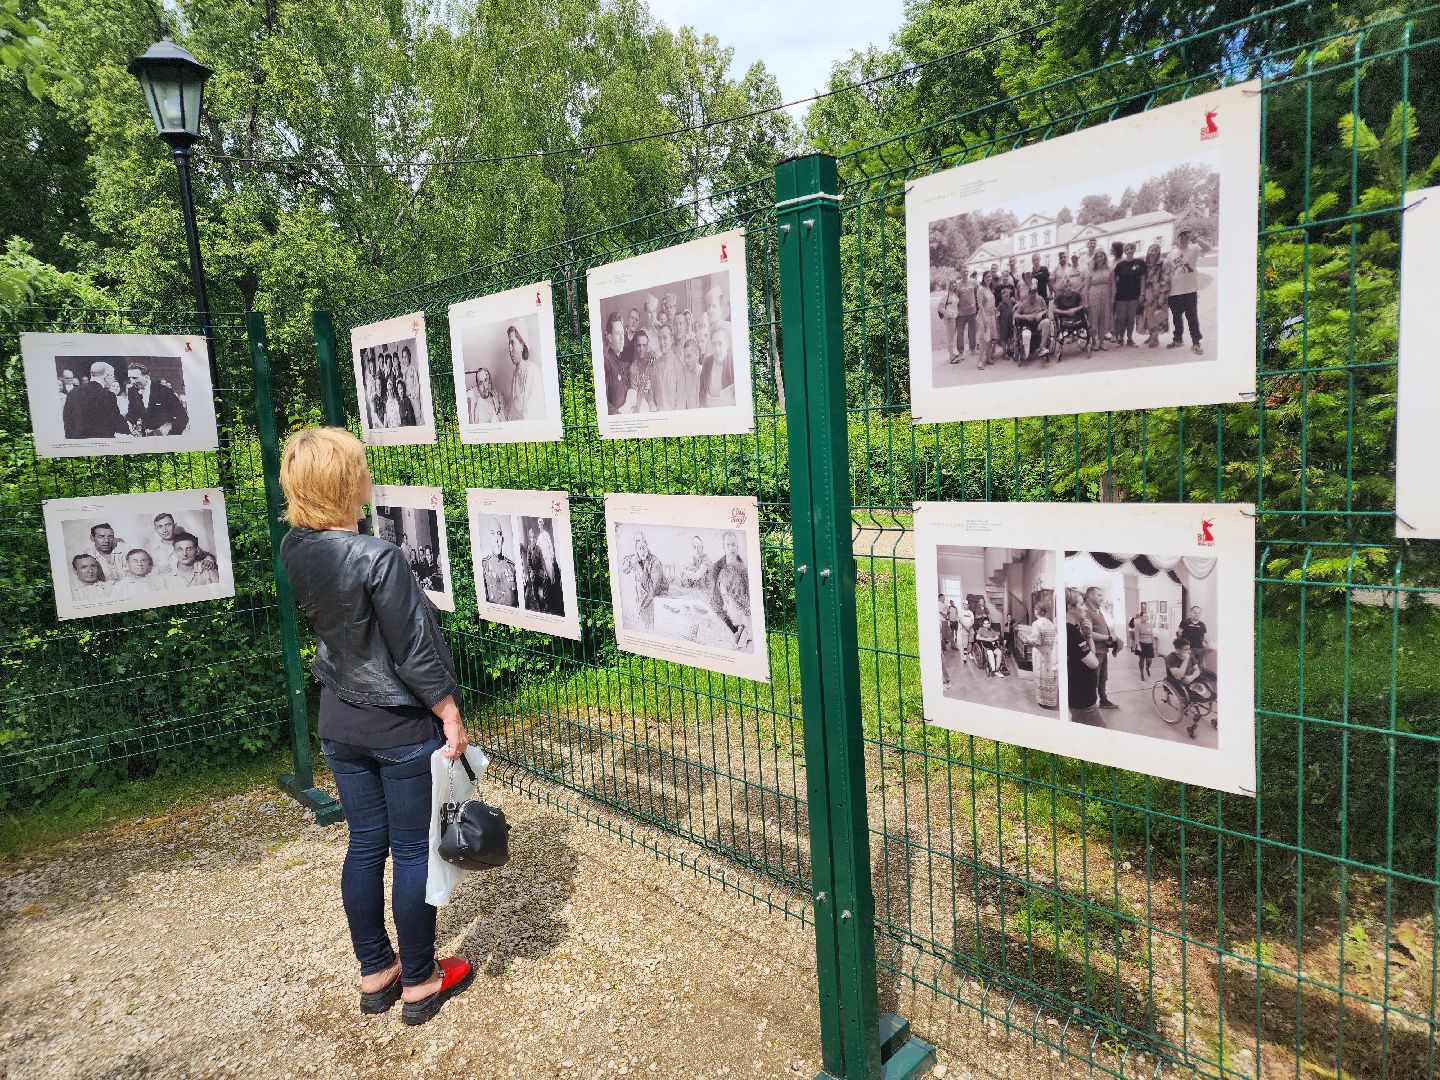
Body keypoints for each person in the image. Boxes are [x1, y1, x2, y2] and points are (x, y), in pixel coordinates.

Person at [278, 427, 473, 1026]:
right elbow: (413, 648)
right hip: (399, 727)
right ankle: (419, 979)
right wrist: (448, 710)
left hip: (339, 720)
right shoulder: (379, 557)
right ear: (346, 481)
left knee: (364, 845)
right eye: (359, 468)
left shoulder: (294, 547)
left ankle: (375, 972)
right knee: (413, 848)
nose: (368, 475)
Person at [1166, 228, 1210, 355]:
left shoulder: (1194, 248)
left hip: (1189, 290)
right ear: (1177, 239)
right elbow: (1168, 271)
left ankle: (1196, 343)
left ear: (1188, 237)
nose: (1183, 238)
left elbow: (1207, 248)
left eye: (1186, 236)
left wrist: (1196, 237)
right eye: (1181, 236)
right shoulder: (1172, 254)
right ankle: (1177, 340)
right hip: (1174, 291)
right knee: (1176, 318)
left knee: (1192, 318)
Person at [62, 361, 129, 440]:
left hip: (77, 444)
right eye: (112, 376)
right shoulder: (108, 395)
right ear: (107, 376)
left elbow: (67, 421)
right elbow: (116, 422)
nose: (113, 379)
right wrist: (129, 432)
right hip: (101, 445)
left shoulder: (72, 393)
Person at [1065, 587, 1103, 725]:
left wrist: (1088, 635)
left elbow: (1091, 655)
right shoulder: (1071, 633)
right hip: (1082, 698)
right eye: (1081, 604)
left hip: (1083, 695)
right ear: (1071, 608)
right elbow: (1094, 663)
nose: (1085, 608)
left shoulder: (1075, 629)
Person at [710, 530, 751, 649]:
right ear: (723, 547)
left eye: (733, 545)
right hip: (727, 617)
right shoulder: (717, 568)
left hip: (739, 615)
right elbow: (717, 600)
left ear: (737, 546)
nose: (731, 548)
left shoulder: (744, 567)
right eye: (727, 545)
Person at [125, 362, 188, 437]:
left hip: (165, 438)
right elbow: (132, 413)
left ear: (147, 377)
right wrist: (128, 423)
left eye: (135, 378)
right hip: (146, 437)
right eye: (130, 378)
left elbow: (182, 416)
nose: (132, 382)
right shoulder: (132, 391)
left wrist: (171, 434)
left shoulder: (164, 391)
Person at [1083, 586, 1119, 709]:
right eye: (1099, 595)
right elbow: (1089, 633)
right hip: (1095, 652)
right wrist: (1108, 637)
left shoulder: (1099, 611)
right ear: (1091, 595)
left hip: (1103, 651)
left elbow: (1103, 630)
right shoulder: (1086, 611)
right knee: (1094, 678)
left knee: (1103, 677)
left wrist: (1113, 639)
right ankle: (1090, 703)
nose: (1102, 598)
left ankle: (1103, 700)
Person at [1112, 243, 1146, 348]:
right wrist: (1114, 292)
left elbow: (1143, 279)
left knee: (1131, 318)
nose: (1129, 250)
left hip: (1134, 296)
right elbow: (1113, 280)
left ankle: (1130, 339)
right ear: (1124, 251)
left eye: (1131, 249)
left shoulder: (1140, 262)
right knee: (1121, 319)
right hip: (1121, 296)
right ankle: (1120, 339)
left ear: (1134, 250)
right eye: (1127, 249)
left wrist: (1142, 293)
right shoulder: (1120, 265)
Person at [628, 533, 666, 630]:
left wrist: (640, 571)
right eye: (639, 548)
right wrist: (631, 561)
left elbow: (653, 590)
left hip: (656, 599)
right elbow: (624, 567)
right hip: (642, 600)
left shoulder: (655, 562)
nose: (642, 551)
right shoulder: (638, 559)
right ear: (636, 550)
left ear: (647, 546)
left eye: (643, 547)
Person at [1140, 243, 1172, 349]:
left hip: (1158, 292)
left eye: (1156, 250)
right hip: (1148, 292)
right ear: (1148, 251)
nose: (1153, 253)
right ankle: (1151, 335)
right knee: (1148, 316)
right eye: (1152, 250)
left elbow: (1166, 280)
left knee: (1157, 315)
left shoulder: (1164, 263)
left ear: (1159, 252)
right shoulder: (1145, 263)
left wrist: (1162, 295)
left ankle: (1156, 339)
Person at [480, 519, 519, 606]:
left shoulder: (512, 566)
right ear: (489, 539)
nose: (496, 539)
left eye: (499, 533)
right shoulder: (483, 566)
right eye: (492, 533)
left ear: (502, 540)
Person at [506, 326, 541, 421]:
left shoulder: (531, 370)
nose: (510, 349)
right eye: (509, 344)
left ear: (522, 345)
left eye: (512, 343)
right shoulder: (515, 373)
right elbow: (512, 406)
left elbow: (530, 411)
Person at [1013, 279, 1052, 361]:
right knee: (1026, 335)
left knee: (1047, 322)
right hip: (1027, 324)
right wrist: (1025, 316)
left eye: (1034, 294)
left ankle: (1042, 347)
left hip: (1038, 322)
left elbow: (1046, 310)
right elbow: (1015, 315)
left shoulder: (1040, 299)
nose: (1033, 296)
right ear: (1028, 294)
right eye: (1031, 294)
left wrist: (1041, 313)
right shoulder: (1023, 303)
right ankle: (1025, 352)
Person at [602, 311, 631, 414]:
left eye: (622, 333)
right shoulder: (606, 362)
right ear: (609, 337)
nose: (621, 337)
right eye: (617, 333)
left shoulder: (620, 362)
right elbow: (601, 400)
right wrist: (619, 417)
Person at [1031, 597, 1058, 709]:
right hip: (1050, 652)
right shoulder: (1051, 623)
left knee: (1041, 675)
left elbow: (1036, 641)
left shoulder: (1037, 624)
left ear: (1037, 611)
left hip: (1040, 653)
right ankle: (1050, 700)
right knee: (1049, 675)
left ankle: (1042, 700)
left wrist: (1027, 639)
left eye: (1035, 609)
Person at [945, 273, 980, 362]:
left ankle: (973, 348)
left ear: (968, 272)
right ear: (961, 273)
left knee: (972, 331)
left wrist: (976, 303)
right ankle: (960, 352)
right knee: (960, 333)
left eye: (966, 271)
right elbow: (954, 298)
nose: (965, 273)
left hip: (972, 312)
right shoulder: (958, 285)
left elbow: (979, 290)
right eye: (963, 271)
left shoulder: (973, 282)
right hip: (961, 314)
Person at [701, 323, 737, 407]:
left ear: (727, 343)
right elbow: (702, 396)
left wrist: (712, 401)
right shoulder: (706, 362)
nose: (716, 349)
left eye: (720, 343)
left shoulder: (733, 361)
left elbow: (736, 400)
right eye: (714, 344)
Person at [1085, 251, 1115, 350]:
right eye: (1097, 257)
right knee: (1093, 319)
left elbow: (1112, 285)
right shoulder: (1090, 270)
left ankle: (1101, 342)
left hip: (1106, 295)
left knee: (1103, 318)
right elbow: (1086, 287)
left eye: (1101, 256)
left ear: (1104, 257)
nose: (1100, 258)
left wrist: (1112, 297)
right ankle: (1093, 341)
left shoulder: (1109, 269)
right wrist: (1086, 301)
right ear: (1095, 259)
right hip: (1093, 295)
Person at [975, 270, 999, 368]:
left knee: (990, 339)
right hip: (984, 317)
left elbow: (991, 303)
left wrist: (995, 310)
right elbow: (980, 304)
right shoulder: (981, 289)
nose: (989, 278)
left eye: (990, 277)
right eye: (987, 277)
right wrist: (985, 317)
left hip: (991, 316)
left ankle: (988, 357)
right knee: (984, 339)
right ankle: (980, 361)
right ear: (983, 278)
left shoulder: (989, 289)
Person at [1131, 610, 1156, 679]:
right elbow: (1136, 636)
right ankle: (1142, 673)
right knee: (1142, 660)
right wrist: (1138, 645)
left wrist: (1154, 644)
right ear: (1141, 617)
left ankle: (1147, 668)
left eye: (1146, 616)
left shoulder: (1150, 625)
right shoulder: (1138, 626)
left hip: (1149, 644)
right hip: (1141, 644)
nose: (1145, 618)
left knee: (1149, 660)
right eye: (1144, 616)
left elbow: (1152, 635)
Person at [995, 285, 1017, 361]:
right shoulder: (1000, 305)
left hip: (1010, 323)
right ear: (1001, 297)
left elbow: (1018, 305)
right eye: (1004, 296)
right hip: (1003, 324)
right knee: (1003, 338)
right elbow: (997, 315)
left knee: (1010, 337)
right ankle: (1004, 351)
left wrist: (1014, 306)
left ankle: (1008, 350)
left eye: (1007, 296)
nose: (1006, 298)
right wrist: (997, 324)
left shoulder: (1012, 302)